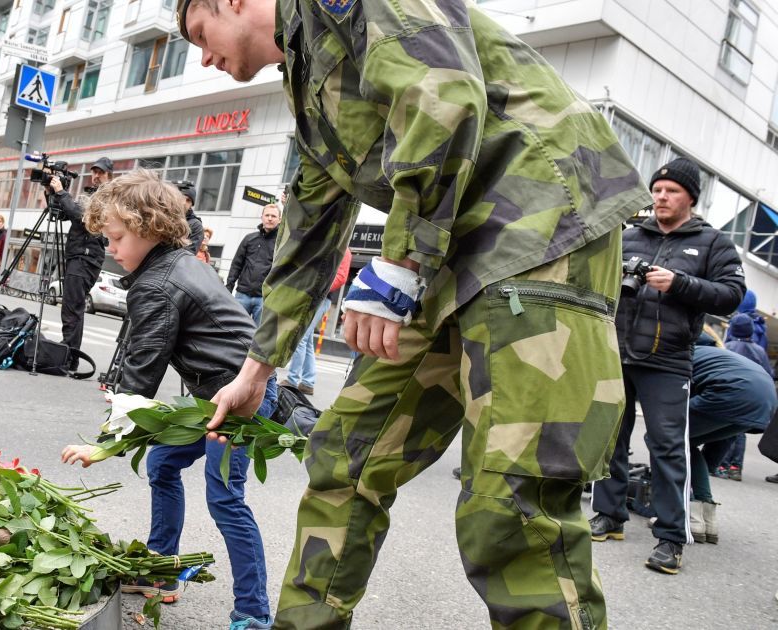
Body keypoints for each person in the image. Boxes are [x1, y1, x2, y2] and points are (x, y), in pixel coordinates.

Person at [179, 0, 653, 626]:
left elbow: (443, 96)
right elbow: (309, 230)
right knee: (345, 458)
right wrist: (256, 370)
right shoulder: (305, 75)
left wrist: (398, 266)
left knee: (511, 501)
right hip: (444, 249)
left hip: (534, 225)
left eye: (199, 33)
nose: (203, 57)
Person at [60, 169, 277, 630]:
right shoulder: (179, 262)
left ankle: (253, 614)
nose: (111, 249)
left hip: (242, 397)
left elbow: (142, 372)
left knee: (225, 498)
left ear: (149, 227)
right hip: (215, 396)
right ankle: (162, 571)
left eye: (116, 238)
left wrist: (105, 445)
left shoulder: (157, 285)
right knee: (162, 463)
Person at [589, 157, 746, 575]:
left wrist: (679, 283)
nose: (661, 197)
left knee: (668, 448)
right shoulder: (630, 236)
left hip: (668, 361)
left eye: (671, 191)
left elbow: (732, 294)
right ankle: (609, 515)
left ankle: (671, 537)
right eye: (657, 190)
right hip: (616, 352)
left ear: (689, 197)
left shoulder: (713, 242)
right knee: (609, 438)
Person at [684, 337, 776, 544]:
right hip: (766, 402)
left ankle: (686, 513)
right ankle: (706, 518)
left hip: (732, 392)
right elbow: (726, 438)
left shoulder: (684, 354)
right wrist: (707, 467)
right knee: (685, 442)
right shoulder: (721, 356)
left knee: (665, 437)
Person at [53, 157, 111, 372]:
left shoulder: (109, 196)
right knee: (72, 307)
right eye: (94, 172)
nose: (96, 176)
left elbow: (83, 217)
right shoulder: (90, 195)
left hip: (86, 258)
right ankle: (70, 355)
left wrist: (62, 193)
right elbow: (64, 214)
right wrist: (53, 193)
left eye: (101, 173)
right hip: (79, 256)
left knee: (72, 308)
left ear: (109, 175)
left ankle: (69, 357)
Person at [711, 312, 775, 481]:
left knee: (724, 430)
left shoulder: (728, 347)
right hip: (753, 397)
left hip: (730, 393)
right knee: (740, 432)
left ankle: (721, 464)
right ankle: (736, 467)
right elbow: (768, 373)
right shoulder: (759, 350)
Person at [281, 249, 351, 396]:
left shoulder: (344, 249)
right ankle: (308, 382)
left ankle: (292, 380)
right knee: (306, 341)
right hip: (314, 297)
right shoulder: (330, 245)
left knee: (301, 337)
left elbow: (341, 277)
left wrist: (317, 287)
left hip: (320, 299)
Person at [226, 203, 278, 324]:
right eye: (267, 215)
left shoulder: (280, 243)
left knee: (257, 333)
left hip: (265, 298)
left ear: (279, 219)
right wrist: (228, 287)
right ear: (262, 217)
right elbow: (236, 264)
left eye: (273, 216)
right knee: (235, 328)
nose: (270, 218)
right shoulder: (249, 239)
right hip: (242, 295)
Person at [177, 182, 204, 255]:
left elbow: (188, 254)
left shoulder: (195, 225)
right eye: (181, 198)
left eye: (188, 200)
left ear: (191, 205)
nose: (183, 203)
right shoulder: (162, 217)